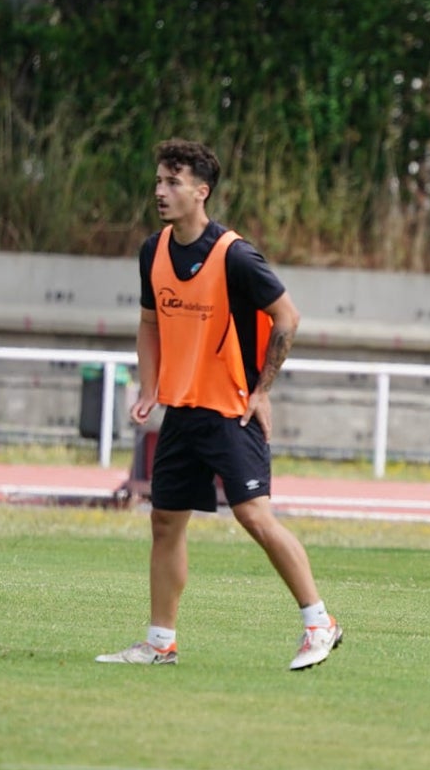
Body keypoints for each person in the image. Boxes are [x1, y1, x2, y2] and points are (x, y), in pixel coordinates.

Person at [96, 139, 342, 671]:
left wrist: (261, 391)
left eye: (173, 182)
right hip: (181, 412)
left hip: (230, 410)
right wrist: (149, 387)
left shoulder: (234, 254)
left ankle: (320, 622)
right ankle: (160, 642)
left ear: (201, 192)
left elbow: (288, 318)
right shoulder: (152, 251)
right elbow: (148, 323)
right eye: (159, 181)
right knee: (165, 522)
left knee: (255, 516)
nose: (160, 191)